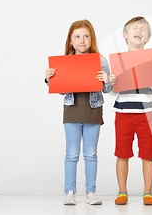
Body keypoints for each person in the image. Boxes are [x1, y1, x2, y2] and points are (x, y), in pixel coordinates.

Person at [45, 20, 112, 205]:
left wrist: (107, 80)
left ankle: (91, 193)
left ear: (91, 39)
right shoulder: (65, 61)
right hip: (72, 112)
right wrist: (49, 78)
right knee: (72, 154)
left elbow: (108, 90)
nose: (82, 40)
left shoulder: (101, 61)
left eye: (86, 36)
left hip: (93, 111)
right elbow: (60, 90)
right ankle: (70, 192)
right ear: (71, 41)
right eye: (77, 36)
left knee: (91, 154)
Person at [110, 17, 152, 205]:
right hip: (123, 113)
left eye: (143, 29)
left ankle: (148, 192)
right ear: (125, 35)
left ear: (148, 38)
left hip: (147, 113)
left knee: (148, 154)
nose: (139, 30)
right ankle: (122, 191)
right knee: (122, 153)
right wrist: (111, 82)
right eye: (135, 28)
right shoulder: (118, 61)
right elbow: (113, 91)